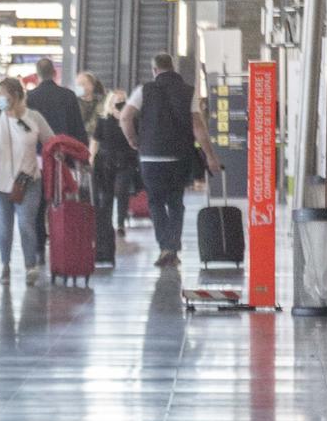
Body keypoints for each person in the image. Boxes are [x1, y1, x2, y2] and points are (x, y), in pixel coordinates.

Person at [120, 53, 220, 267]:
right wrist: (210, 156)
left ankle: (166, 247)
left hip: (149, 157)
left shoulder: (143, 91)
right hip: (178, 157)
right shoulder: (187, 92)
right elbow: (198, 127)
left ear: (154, 70)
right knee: (175, 203)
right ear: (172, 67)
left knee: (155, 202)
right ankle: (171, 249)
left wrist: (133, 140)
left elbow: (125, 117)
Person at [0, 77, 54, 287]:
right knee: (4, 228)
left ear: (16, 97)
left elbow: (50, 142)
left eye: (3, 96)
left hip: (28, 180)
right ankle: (5, 265)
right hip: (0, 183)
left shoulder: (34, 117)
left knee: (26, 224)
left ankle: (30, 266)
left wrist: (59, 156)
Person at [25, 58, 87, 261]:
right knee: (61, 199)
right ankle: (62, 240)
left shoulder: (30, 97)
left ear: (37, 74)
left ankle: (39, 248)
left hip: (36, 159)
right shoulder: (68, 96)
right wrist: (82, 154)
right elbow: (78, 127)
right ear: (54, 73)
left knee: (38, 202)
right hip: (63, 158)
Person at [92, 89, 139, 263]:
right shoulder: (103, 121)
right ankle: (107, 224)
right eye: (117, 102)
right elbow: (96, 140)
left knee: (122, 191)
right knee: (107, 195)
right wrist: (91, 159)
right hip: (106, 162)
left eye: (122, 101)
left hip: (125, 161)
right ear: (110, 104)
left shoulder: (131, 120)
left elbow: (135, 139)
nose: (120, 105)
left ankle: (120, 222)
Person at [76, 71, 105, 140]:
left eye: (82, 84)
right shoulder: (73, 102)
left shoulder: (101, 102)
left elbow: (97, 122)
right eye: (77, 84)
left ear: (91, 86)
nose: (78, 87)